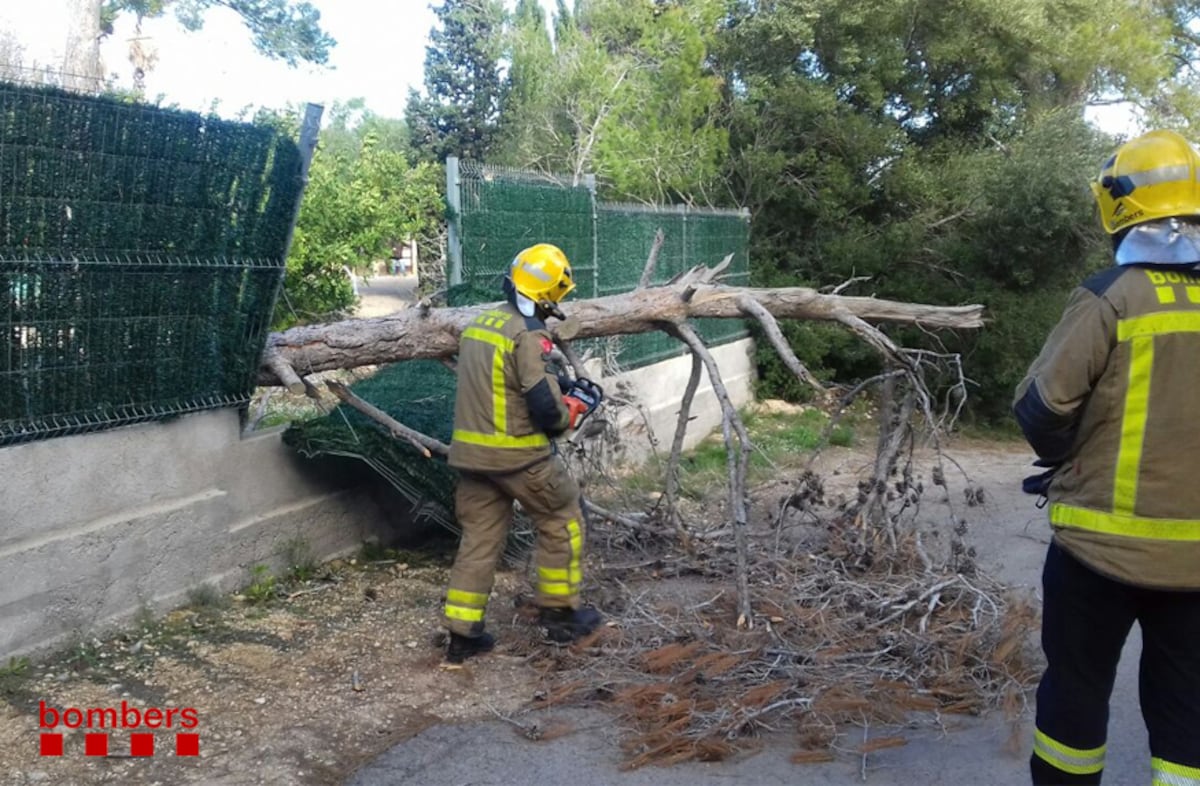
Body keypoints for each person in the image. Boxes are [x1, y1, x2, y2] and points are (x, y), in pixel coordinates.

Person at [1013, 129, 1200, 785]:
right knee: (1188, 717)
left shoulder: (1112, 296)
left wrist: (1066, 458)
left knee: (1077, 693)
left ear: (1118, 205)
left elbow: (1042, 407)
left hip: (1096, 551)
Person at [441, 243, 604, 665]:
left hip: (471, 458)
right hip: (519, 458)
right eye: (556, 296)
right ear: (546, 292)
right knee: (563, 520)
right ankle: (560, 615)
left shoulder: (481, 323)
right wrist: (576, 405)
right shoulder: (528, 333)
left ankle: (462, 634)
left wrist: (558, 386)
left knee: (479, 539)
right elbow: (547, 413)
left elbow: (504, 383)